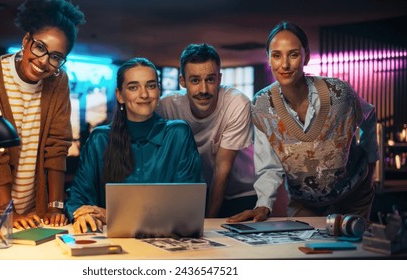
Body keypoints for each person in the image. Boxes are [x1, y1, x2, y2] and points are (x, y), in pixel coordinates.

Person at [0, 0, 85, 229]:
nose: (44, 61)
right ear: (26, 41)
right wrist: (7, 211)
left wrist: (55, 205)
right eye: (40, 47)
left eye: (56, 57)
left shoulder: (59, 81)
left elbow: (57, 145)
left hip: (33, 205)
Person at [228, 21, 378, 223]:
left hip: (354, 195)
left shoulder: (340, 94)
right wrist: (263, 204)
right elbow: (269, 166)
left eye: (293, 54)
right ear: (269, 59)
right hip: (305, 202)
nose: (285, 65)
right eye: (277, 56)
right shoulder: (262, 105)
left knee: (353, 251)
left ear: (305, 55)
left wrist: (371, 163)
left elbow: (369, 117)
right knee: (303, 251)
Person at [65, 57, 203, 233]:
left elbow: (187, 206)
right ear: (120, 95)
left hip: (169, 243)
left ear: (158, 91)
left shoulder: (178, 134)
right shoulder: (100, 139)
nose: (144, 94)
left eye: (151, 86)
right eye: (133, 87)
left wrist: (112, 215)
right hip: (113, 243)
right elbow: (78, 196)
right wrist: (82, 214)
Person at [156, 43, 256, 218]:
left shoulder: (237, 103)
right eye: (195, 80)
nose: (203, 90)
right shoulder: (166, 106)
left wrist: (208, 222)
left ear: (219, 78)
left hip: (241, 192)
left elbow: (222, 169)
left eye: (210, 79)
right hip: (196, 190)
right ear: (182, 81)